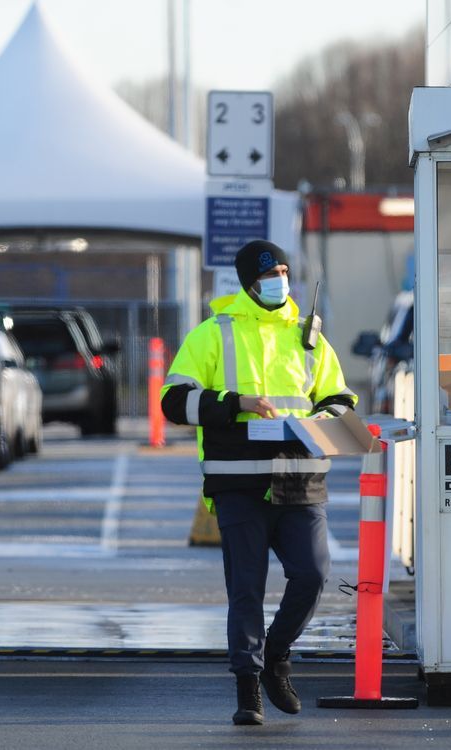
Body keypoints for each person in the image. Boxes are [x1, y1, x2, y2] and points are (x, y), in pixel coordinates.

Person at [160, 239, 357, 725]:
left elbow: (340, 398)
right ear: (250, 282)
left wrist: (323, 418)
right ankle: (247, 689)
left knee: (312, 574)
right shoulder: (213, 333)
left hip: (299, 477)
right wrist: (235, 402)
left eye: (285, 272)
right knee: (245, 589)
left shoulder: (309, 336)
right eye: (271, 274)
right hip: (238, 483)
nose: (280, 281)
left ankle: (275, 657)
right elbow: (173, 402)